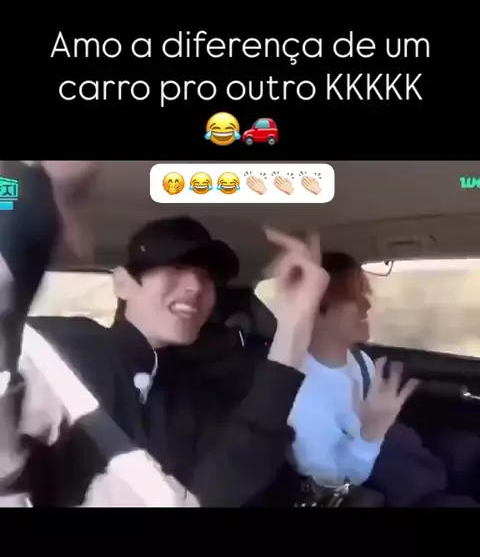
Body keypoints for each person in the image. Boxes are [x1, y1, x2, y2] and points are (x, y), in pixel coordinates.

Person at [0, 160, 330, 508]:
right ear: (123, 283)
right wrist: (30, 187)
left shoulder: (201, 391)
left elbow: (223, 484)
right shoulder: (60, 347)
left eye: (208, 277)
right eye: (175, 267)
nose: (195, 287)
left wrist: (295, 322)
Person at [288, 251, 479, 507]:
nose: (367, 306)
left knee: (468, 449)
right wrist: (370, 433)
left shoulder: (358, 360)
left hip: (416, 463)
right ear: (316, 310)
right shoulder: (302, 391)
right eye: (355, 297)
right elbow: (332, 480)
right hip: (395, 490)